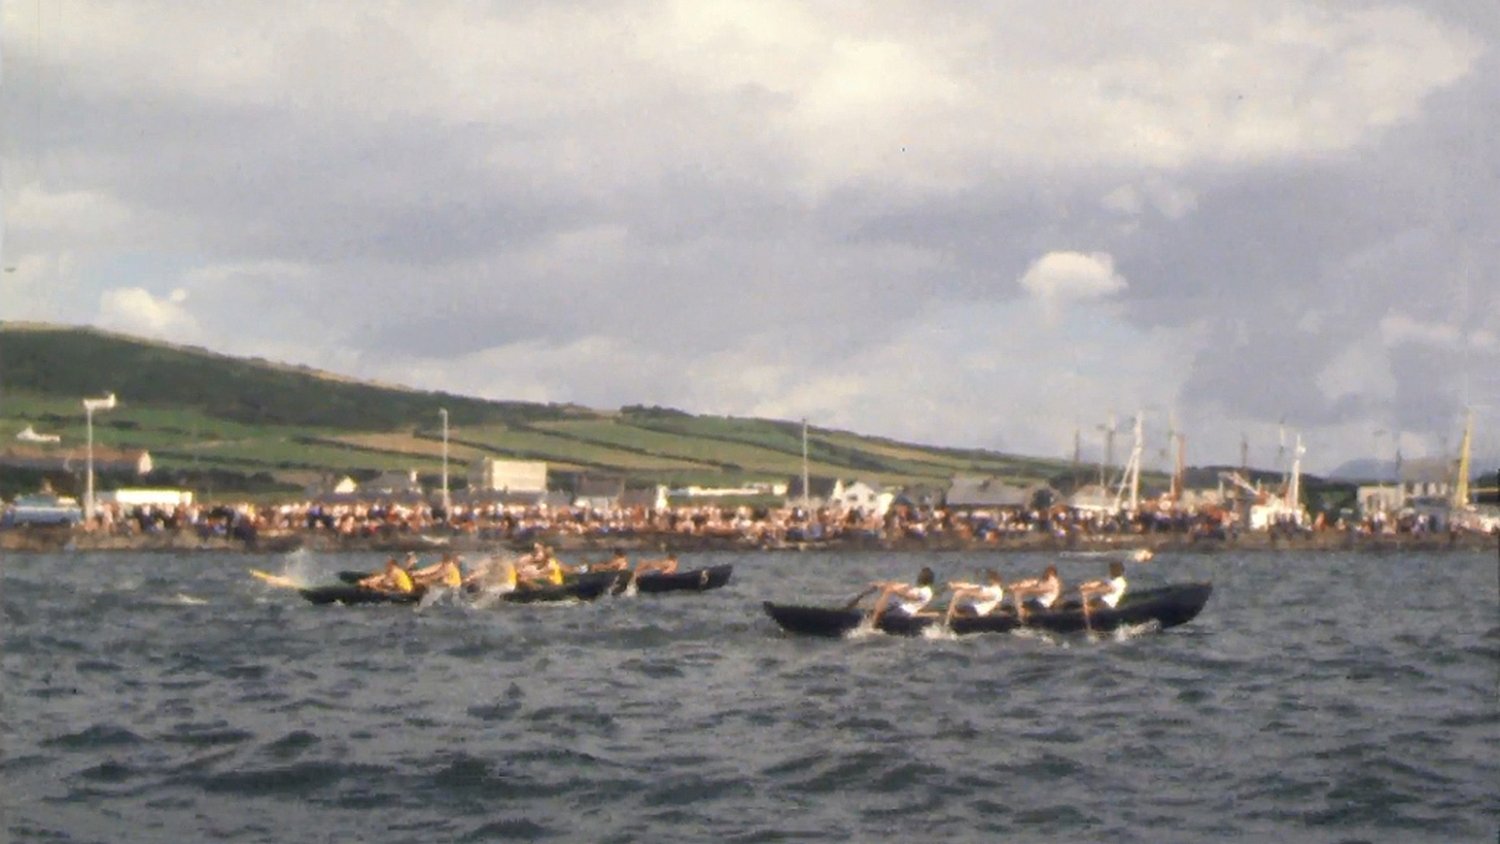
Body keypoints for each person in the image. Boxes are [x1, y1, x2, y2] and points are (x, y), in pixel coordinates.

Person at [869, 566, 937, 625]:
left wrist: (894, 590)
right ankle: (874, 615)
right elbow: (901, 588)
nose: (918, 578)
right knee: (890, 595)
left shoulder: (926, 591)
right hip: (900, 607)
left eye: (920, 576)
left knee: (887, 593)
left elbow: (912, 597)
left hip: (904, 612)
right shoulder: (920, 589)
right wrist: (883, 585)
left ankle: (872, 625)